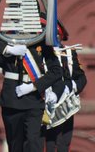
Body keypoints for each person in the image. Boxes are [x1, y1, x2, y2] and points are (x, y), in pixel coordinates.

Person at [0, 25, 63, 152]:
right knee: (15, 145)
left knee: (33, 142)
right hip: (12, 99)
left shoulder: (42, 41)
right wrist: (8, 49)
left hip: (34, 99)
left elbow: (56, 71)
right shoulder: (8, 38)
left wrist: (34, 86)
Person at [44, 19, 87, 152]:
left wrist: (73, 85)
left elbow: (81, 77)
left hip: (66, 104)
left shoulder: (69, 53)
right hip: (46, 103)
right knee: (48, 143)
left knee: (64, 143)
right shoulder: (41, 52)